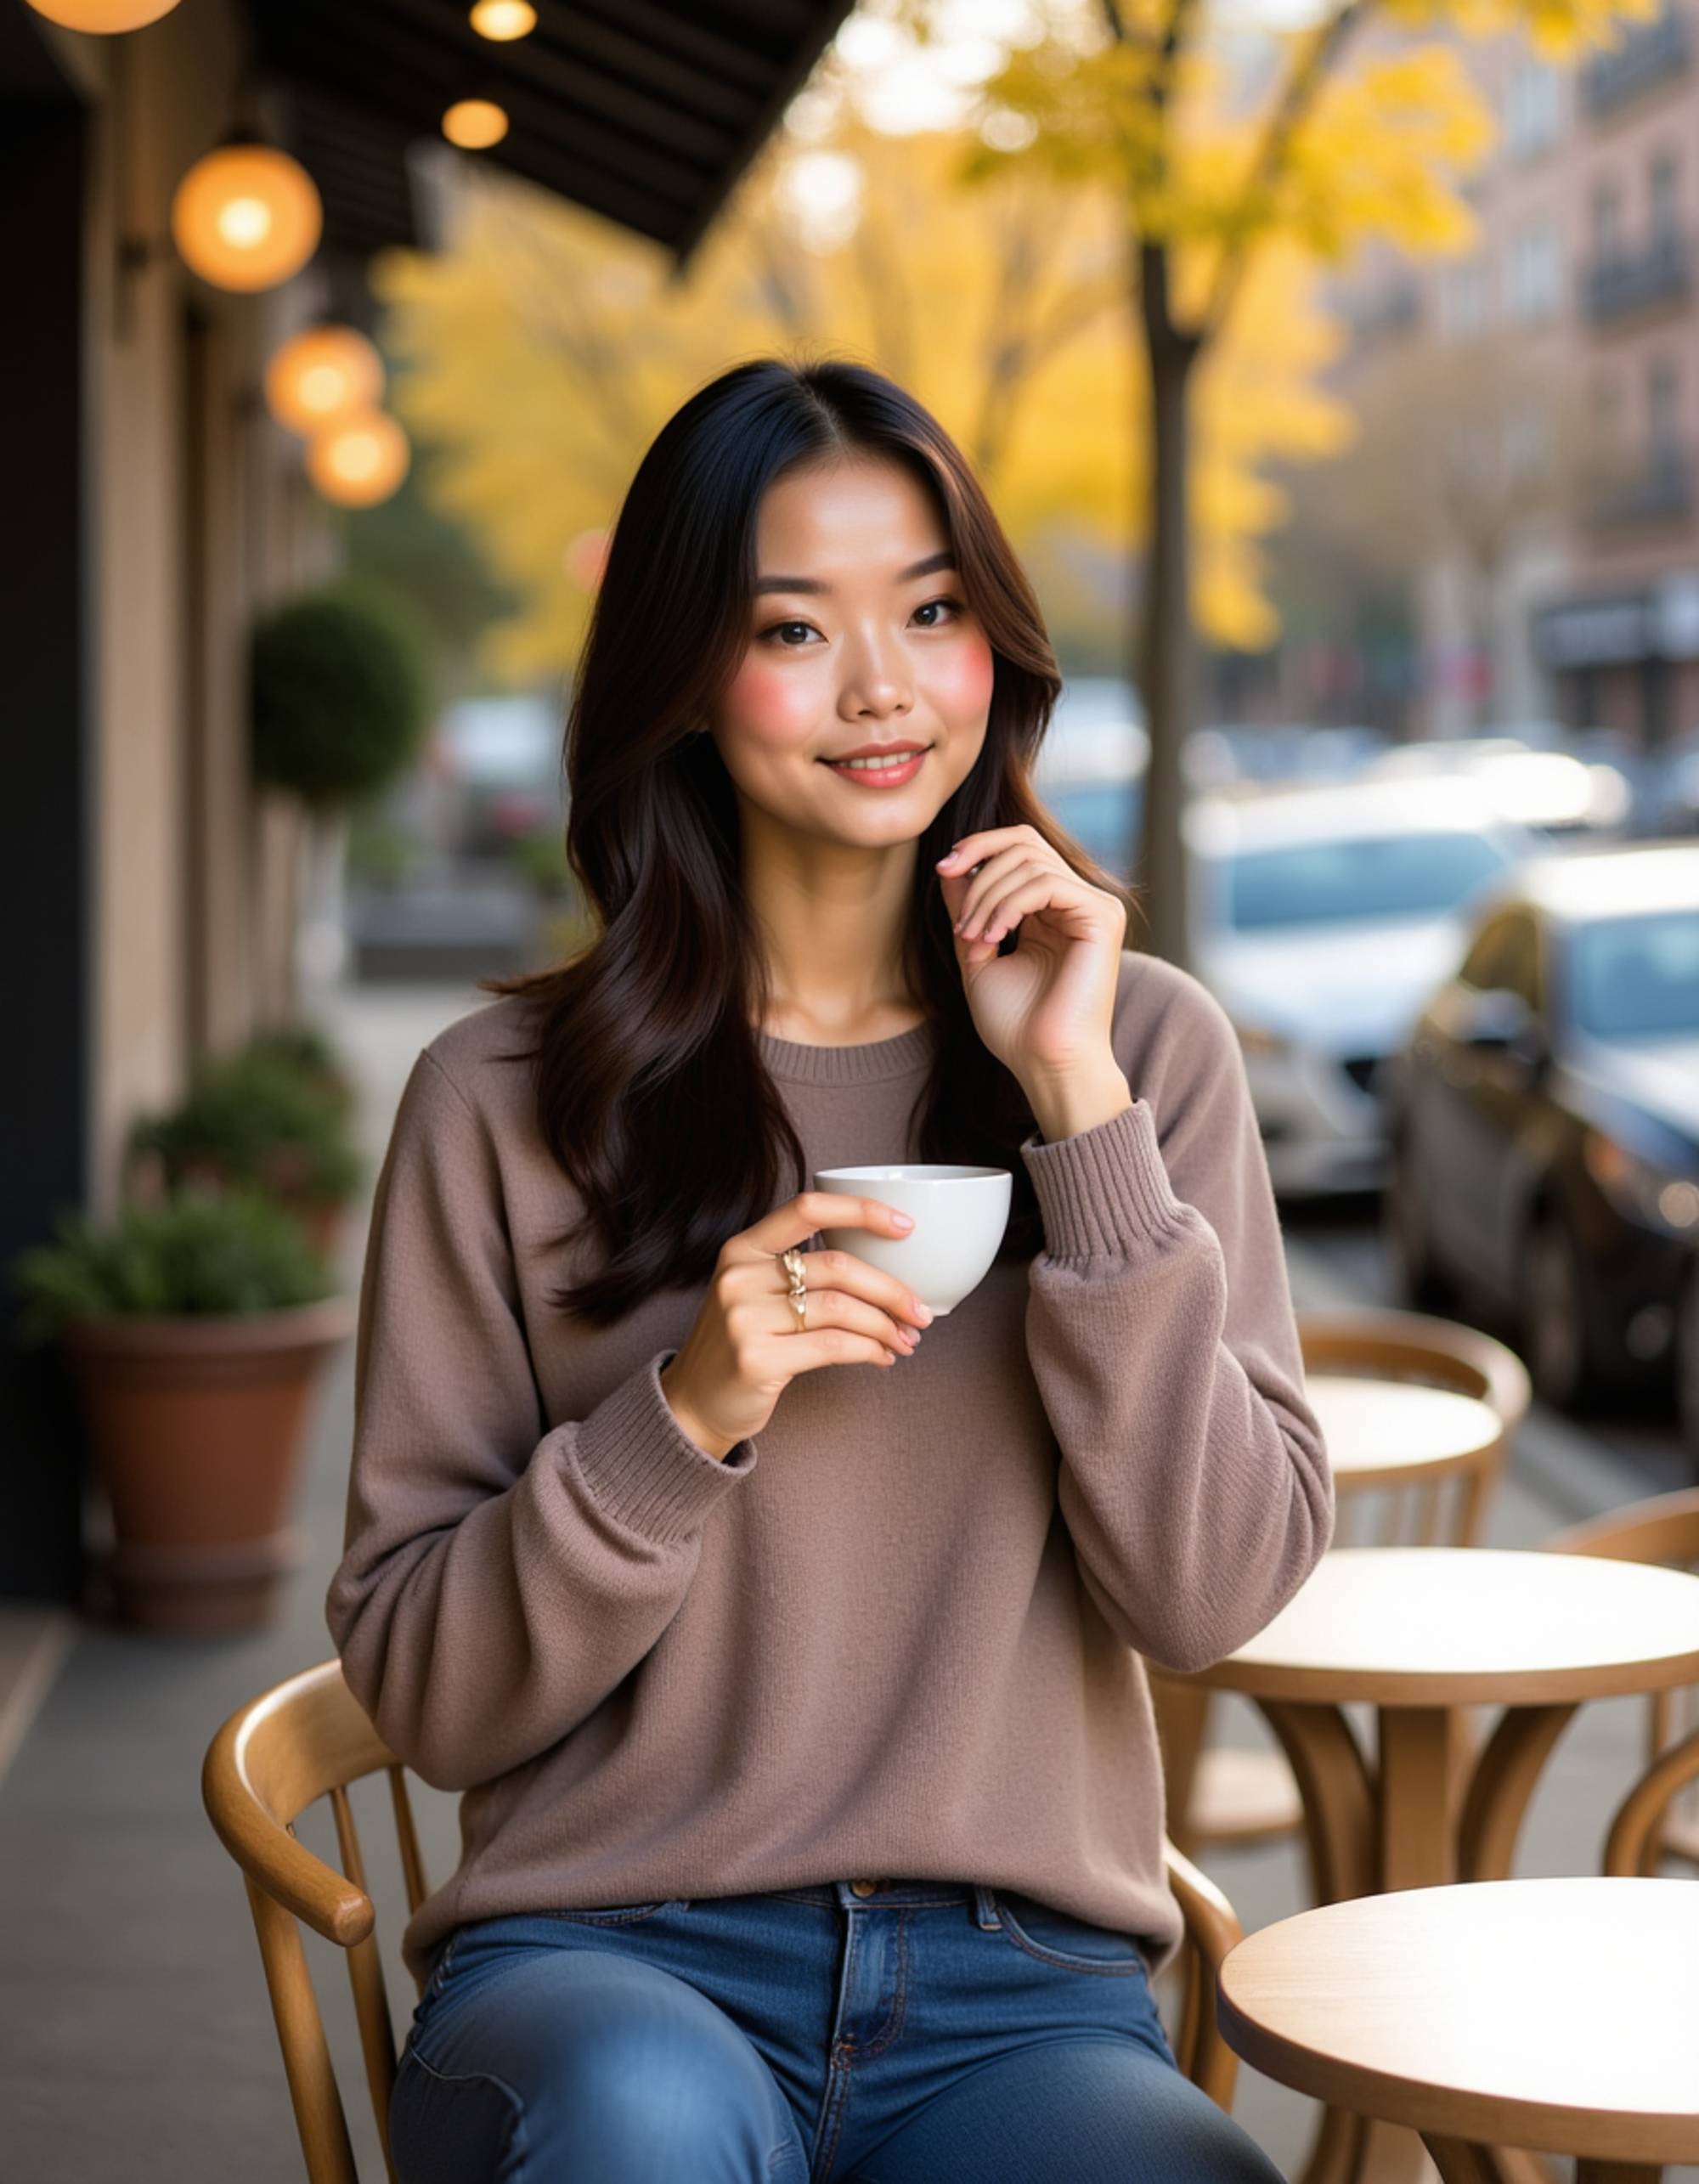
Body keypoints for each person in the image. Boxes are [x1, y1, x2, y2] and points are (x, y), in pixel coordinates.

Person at [328, 355, 1333, 2182]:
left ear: (996, 649)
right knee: (634, 2132)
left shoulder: (1146, 1052)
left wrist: (1074, 1106)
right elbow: (425, 1694)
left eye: (932, 610)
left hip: (1018, 1991)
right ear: (686, 677)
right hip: (608, 1956)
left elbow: (1213, 1596)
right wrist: (683, 1412)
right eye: (794, 626)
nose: (881, 686)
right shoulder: (497, 1100)